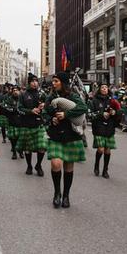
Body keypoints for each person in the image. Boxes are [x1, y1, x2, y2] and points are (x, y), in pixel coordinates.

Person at [44, 72, 87, 208]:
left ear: (63, 82)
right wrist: (51, 119)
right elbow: (45, 113)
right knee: (56, 164)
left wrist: (66, 114)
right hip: (56, 135)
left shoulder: (73, 96)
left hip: (71, 135)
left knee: (68, 166)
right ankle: (57, 193)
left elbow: (83, 108)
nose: (53, 83)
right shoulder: (50, 97)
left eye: (56, 81)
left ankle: (66, 195)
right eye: (53, 81)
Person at [87, 82, 121, 178]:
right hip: (98, 126)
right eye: (102, 87)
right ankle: (96, 166)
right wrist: (101, 114)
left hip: (109, 127)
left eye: (106, 87)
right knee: (101, 149)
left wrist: (115, 112)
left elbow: (119, 111)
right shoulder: (94, 100)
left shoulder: (113, 101)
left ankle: (105, 170)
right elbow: (89, 115)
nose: (104, 89)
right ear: (99, 89)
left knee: (107, 150)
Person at [16, 74, 47, 176]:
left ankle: (38, 165)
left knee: (42, 147)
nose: (35, 83)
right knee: (28, 149)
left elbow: (50, 105)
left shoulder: (42, 94)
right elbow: (19, 109)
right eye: (33, 81)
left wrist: (44, 105)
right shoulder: (23, 94)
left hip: (39, 124)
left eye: (36, 81)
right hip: (27, 124)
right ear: (29, 82)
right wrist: (30, 111)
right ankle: (29, 166)